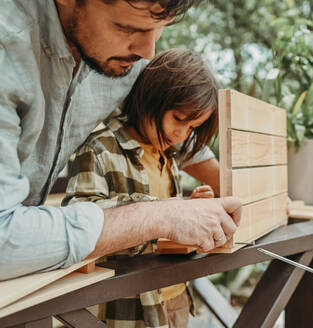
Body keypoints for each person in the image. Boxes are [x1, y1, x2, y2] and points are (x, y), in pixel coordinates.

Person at [0, 0, 240, 281]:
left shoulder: (123, 59)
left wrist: (246, 192)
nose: (148, 52)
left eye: (161, 28)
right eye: (127, 28)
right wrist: (161, 216)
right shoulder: (8, 48)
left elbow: (167, 125)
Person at [62, 48, 218, 327]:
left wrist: (193, 209)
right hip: (126, 305)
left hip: (177, 296)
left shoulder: (168, 155)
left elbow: (168, 226)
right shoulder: (99, 149)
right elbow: (77, 224)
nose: (182, 134)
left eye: (193, 127)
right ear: (151, 98)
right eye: (179, 119)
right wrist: (160, 212)